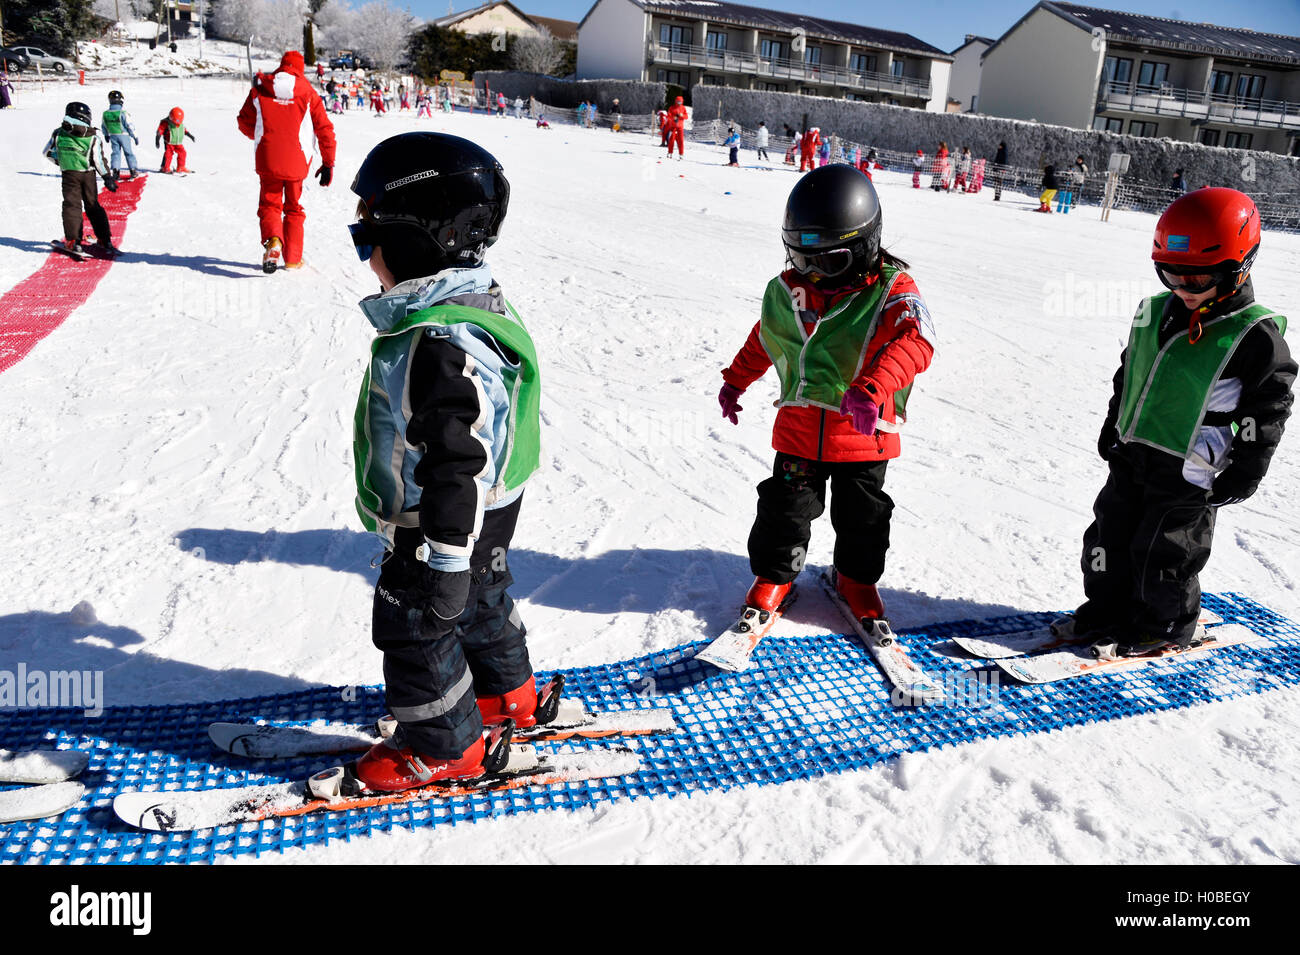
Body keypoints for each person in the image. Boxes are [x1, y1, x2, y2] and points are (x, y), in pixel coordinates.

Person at [345, 132, 551, 792]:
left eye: (365, 239)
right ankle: (504, 695)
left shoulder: (440, 338)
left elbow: (453, 459)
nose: (364, 255)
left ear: (417, 236)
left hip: (443, 515)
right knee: (480, 600)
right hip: (490, 505)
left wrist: (442, 557)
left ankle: (442, 745)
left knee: (417, 620)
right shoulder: (474, 303)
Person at [1064, 188, 1294, 657]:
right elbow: (1130, 374)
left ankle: (1165, 624)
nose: (1184, 290)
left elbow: (1267, 407)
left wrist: (1247, 467)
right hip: (1133, 454)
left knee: (1165, 552)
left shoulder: (1254, 334)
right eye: (1172, 275)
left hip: (1190, 469)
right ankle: (1108, 610)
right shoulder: (1153, 311)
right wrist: (1114, 423)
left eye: (1200, 279)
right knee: (1108, 539)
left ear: (1239, 266)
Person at [716, 165, 935, 629]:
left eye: (828, 262)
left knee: (863, 516)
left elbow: (917, 343)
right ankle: (775, 576)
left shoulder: (893, 293)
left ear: (865, 247)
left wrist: (872, 388)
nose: (812, 275)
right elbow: (767, 337)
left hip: (863, 434)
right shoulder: (788, 291)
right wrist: (736, 380)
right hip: (798, 432)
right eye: (801, 260)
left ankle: (855, 579)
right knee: (784, 508)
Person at [237, 50, 337, 272]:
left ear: (281, 66)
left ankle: (273, 240)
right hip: (297, 160)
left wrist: (263, 137)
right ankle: (292, 259)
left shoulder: (260, 89)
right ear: (300, 69)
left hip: (268, 159)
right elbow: (325, 130)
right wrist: (328, 162)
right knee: (293, 208)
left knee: (270, 204)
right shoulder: (309, 93)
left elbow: (244, 122)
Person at [43, 101, 119, 257]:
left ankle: (73, 241)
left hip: (69, 175)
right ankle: (105, 239)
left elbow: (47, 152)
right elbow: (98, 160)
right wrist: (107, 177)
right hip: (88, 175)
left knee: (72, 206)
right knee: (93, 206)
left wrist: (62, 161)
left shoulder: (58, 133)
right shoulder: (92, 137)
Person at [102, 90, 140, 180]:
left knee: (116, 153)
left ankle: (115, 170)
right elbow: (129, 125)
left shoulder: (106, 113)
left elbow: (104, 125)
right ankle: (133, 169)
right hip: (124, 135)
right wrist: (135, 136)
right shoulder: (123, 113)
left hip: (113, 135)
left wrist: (106, 134)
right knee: (128, 153)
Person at [155, 106, 194, 173]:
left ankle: (181, 167)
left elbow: (183, 130)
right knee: (168, 155)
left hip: (178, 143)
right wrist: (157, 140)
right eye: (176, 122)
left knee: (183, 153)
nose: (177, 124)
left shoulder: (180, 123)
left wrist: (190, 135)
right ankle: (165, 168)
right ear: (171, 118)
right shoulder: (165, 123)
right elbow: (160, 131)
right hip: (169, 143)